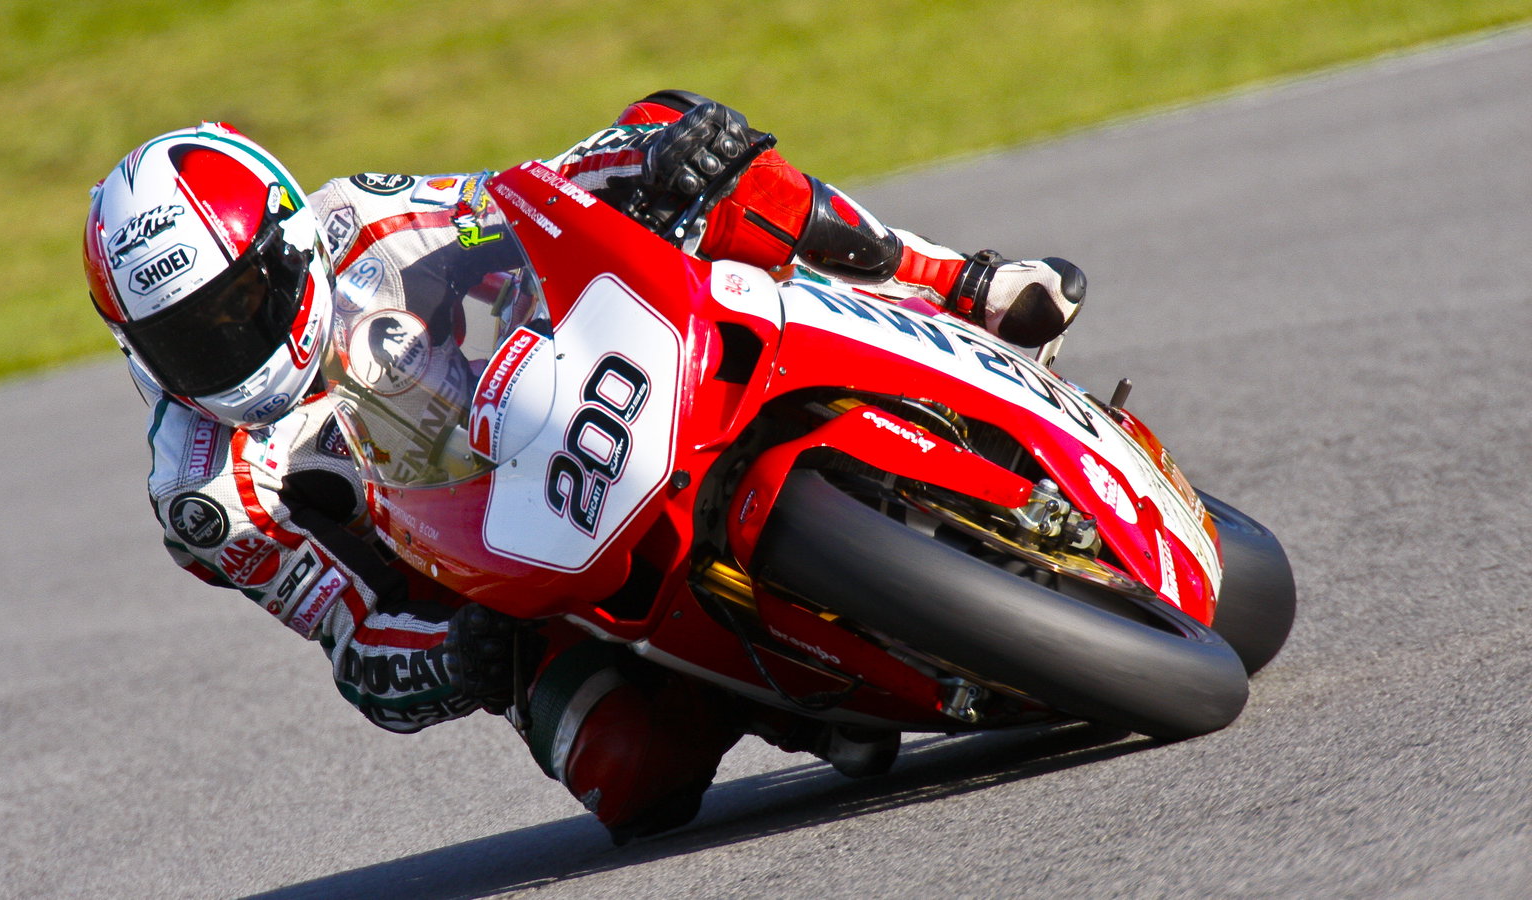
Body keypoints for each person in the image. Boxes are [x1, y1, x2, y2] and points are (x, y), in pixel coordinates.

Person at [82, 90, 1086, 842]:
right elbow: (353, 641)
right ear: (137, 349)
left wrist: (655, 156)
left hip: (570, 393)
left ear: (293, 245)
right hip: (491, 578)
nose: (228, 344)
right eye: (189, 338)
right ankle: (776, 687)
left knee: (695, 145)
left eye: (241, 300)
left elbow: (527, 202)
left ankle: (966, 287)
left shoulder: (367, 225)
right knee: (632, 778)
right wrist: (449, 656)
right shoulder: (206, 492)